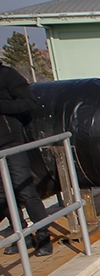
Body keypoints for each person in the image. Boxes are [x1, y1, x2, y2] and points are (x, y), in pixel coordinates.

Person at [0, 60, 52, 256]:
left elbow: (29, 102)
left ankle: (43, 235)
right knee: (3, 196)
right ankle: (21, 234)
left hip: (10, 143)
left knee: (24, 189)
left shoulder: (7, 75)